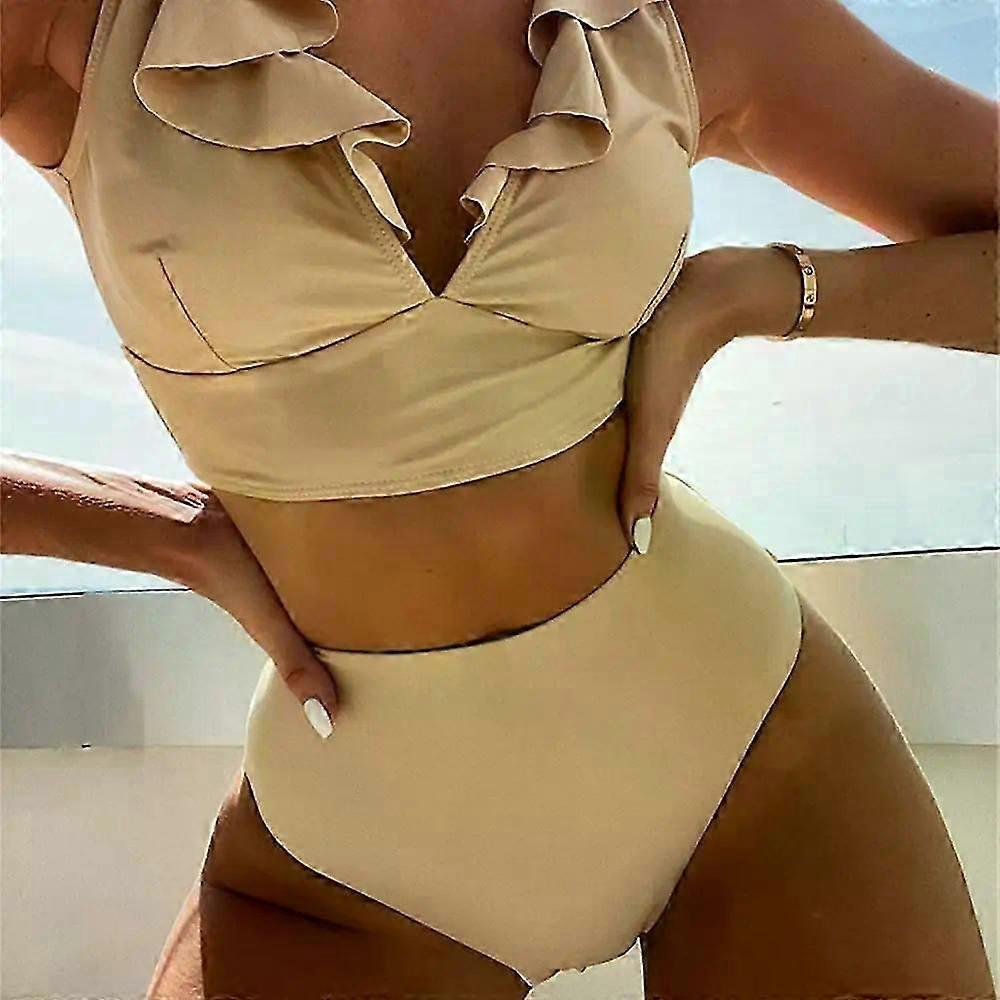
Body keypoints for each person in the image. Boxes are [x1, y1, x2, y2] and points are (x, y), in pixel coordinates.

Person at [2, 0, 996, 995]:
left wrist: (765, 290)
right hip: (355, 841)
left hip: (744, 731)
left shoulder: (680, 20)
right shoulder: (77, 24)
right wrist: (160, 529)